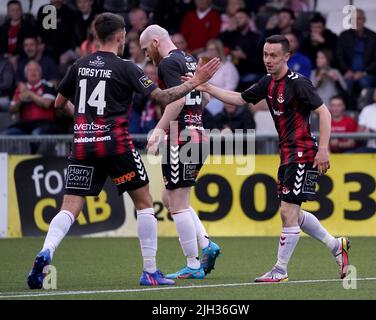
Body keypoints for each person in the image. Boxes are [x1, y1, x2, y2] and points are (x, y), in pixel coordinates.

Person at [26, 13, 221, 289]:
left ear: (96, 35)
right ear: (120, 36)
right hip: (116, 144)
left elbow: (58, 103)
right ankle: (150, 271)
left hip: (83, 144)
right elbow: (163, 97)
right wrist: (195, 80)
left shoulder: (79, 64)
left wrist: (85, 122)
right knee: (145, 204)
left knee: (69, 208)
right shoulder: (127, 67)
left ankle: (47, 251)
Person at [188, 34, 350, 282]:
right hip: (286, 154)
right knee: (293, 213)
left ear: (287, 56)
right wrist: (207, 87)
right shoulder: (267, 83)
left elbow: (324, 112)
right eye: (265, 54)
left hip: (302, 152)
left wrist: (324, 149)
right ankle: (335, 245)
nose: (268, 59)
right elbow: (240, 99)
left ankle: (280, 270)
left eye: (273, 55)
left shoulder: (299, 83)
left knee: (288, 213)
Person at [140, 24, 221, 280]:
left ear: (155, 42)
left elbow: (176, 100)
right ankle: (206, 243)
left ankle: (194, 263)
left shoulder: (166, 64)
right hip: (200, 135)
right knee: (169, 197)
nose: (145, 56)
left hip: (180, 138)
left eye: (145, 49)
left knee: (178, 205)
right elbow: (205, 99)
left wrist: (158, 129)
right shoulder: (189, 59)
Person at [337, 9, 376, 97]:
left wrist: (364, 72)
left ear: (364, 20)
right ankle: (347, 108)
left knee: (364, 82)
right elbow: (339, 57)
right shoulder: (344, 36)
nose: (356, 22)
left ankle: (365, 108)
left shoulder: (373, 36)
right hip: (349, 72)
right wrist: (347, 70)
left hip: (368, 73)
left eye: (359, 19)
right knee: (345, 83)